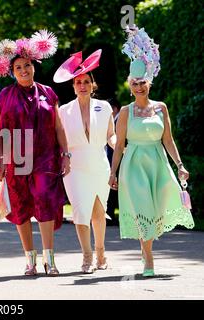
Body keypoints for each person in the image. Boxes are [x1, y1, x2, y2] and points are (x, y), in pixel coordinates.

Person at [109, 25, 194, 277]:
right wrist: (113, 173)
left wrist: (179, 165)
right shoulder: (125, 112)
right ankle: (148, 259)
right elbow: (119, 146)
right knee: (143, 207)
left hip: (157, 162)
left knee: (157, 209)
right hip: (133, 164)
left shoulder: (161, 108)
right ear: (130, 84)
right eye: (134, 83)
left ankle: (146, 248)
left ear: (149, 82)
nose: (138, 87)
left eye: (142, 82)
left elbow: (168, 139)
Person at [0, 30, 69, 276]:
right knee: (21, 207)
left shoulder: (48, 93)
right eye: (18, 68)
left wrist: (65, 154)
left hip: (46, 158)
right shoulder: (4, 95)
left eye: (27, 66)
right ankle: (29, 261)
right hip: (15, 161)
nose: (24, 70)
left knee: (45, 202)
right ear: (12, 72)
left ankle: (50, 259)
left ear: (34, 66)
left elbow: (58, 127)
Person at [53, 49, 116, 273]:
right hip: (74, 165)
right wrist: (63, 158)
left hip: (99, 164)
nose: (82, 85)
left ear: (92, 84)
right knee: (80, 211)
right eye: (78, 82)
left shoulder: (105, 107)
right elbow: (58, 140)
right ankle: (87, 257)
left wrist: (120, 146)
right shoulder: (63, 111)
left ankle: (101, 255)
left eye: (86, 82)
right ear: (73, 85)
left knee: (99, 212)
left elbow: (111, 135)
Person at [105, 97, 122, 225]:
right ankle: (111, 214)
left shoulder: (119, 119)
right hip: (112, 157)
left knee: (115, 189)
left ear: (115, 108)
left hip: (117, 158)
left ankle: (112, 214)